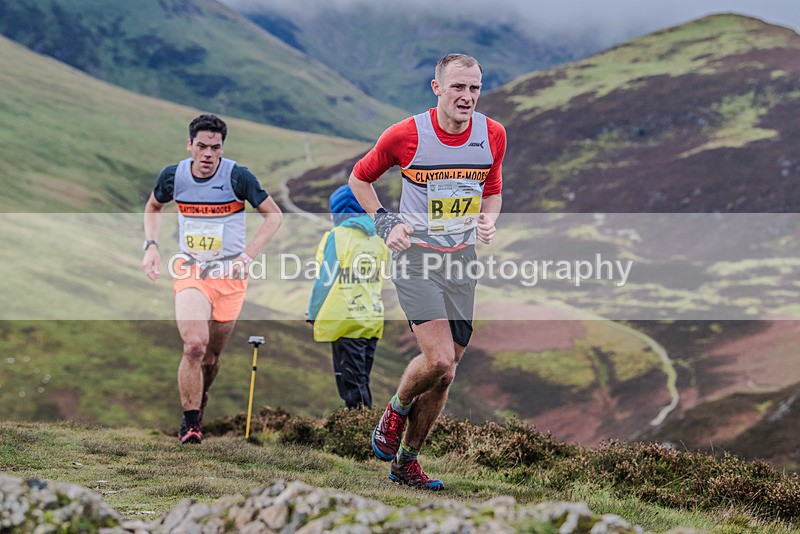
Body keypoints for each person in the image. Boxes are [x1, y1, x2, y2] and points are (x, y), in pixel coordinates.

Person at [348, 53, 506, 490]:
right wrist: (385, 222)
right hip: (416, 257)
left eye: (474, 88)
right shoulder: (406, 134)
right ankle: (396, 408)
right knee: (437, 359)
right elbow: (359, 179)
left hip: (461, 260)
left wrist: (489, 219)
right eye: (458, 87)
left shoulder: (493, 134)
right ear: (437, 88)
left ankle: (406, 463)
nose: (467, 96)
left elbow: (492, 190)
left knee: (447, 373)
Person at [142, 114, 283, 444]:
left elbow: (274, 216)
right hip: (191, 268)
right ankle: (190, 424)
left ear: (222, 148)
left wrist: (247, 256)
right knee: (194, 346)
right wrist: (151, 246)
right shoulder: (173, 176)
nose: (208, 154)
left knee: (211, 357)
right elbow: (153, 207)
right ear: (189, 144)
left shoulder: (237, 177)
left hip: (230, 274)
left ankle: (200, 397)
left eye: (215, 148)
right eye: (202, 146)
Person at [307, 184, 388, 409]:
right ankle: (365, 422)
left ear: (340, 210)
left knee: (351, 384)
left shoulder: (338, 236)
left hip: (345, 319)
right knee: (361, 378)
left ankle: (360, 425)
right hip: (372, 318)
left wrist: (313, 312)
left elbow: (325, 279)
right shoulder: (379, 238)